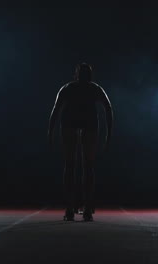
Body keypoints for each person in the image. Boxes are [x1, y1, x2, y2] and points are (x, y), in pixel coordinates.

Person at [48, 63, 113, 221]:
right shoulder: (93, 88)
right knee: (85, 166)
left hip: (76, 124)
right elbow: (108, 108)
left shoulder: (69, 88)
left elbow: (56, 110)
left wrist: (50, 132)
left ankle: (73, 207)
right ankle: (82, 207)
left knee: (73, 165)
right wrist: (108, 134)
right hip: (81, 124)